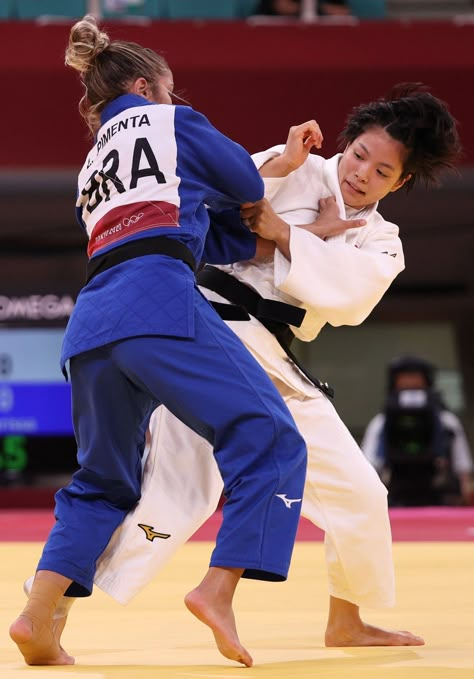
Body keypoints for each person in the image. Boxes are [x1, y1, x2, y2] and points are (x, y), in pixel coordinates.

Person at [30, 83, 461, 652]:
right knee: (172, 493)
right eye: (359, 155)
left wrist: (285, 232)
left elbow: (350, 301)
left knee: (358, 492)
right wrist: (293, 204)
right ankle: (54, 606)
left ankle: (346, 619)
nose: (361, 174)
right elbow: (209, 220)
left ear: (400, 183)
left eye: (382, 172)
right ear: (346, 143)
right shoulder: (290, 167)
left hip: (272, 354)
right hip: (203, 328)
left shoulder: (383, 240)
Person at [9, 14, 310, 668]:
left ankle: (38, 616)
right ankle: (219, 587)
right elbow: (244, 183)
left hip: (91, 321)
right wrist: (278, 171)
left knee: (102, 481)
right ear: (148, 86)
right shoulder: (173, 119)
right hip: (157, 301)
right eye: (172, 90)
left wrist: (254, 232)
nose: (177, 101)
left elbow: (199, 223)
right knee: (270, 432)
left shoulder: (93, 163)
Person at [361, 355, 473, 506]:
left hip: (439, 495)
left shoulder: (446, 421)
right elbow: (369, 464)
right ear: (395, 382)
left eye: (415, 377)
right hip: (395, 496)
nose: (410, 382)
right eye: (405, 377)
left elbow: (462, 463)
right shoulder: (381, 423)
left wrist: (465, 488)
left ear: (426, 380)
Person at [255, 0, 352, 17]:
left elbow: (343, 11)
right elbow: (282, 6)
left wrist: (319, 8)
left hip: (320, 37)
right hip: (276, 36)